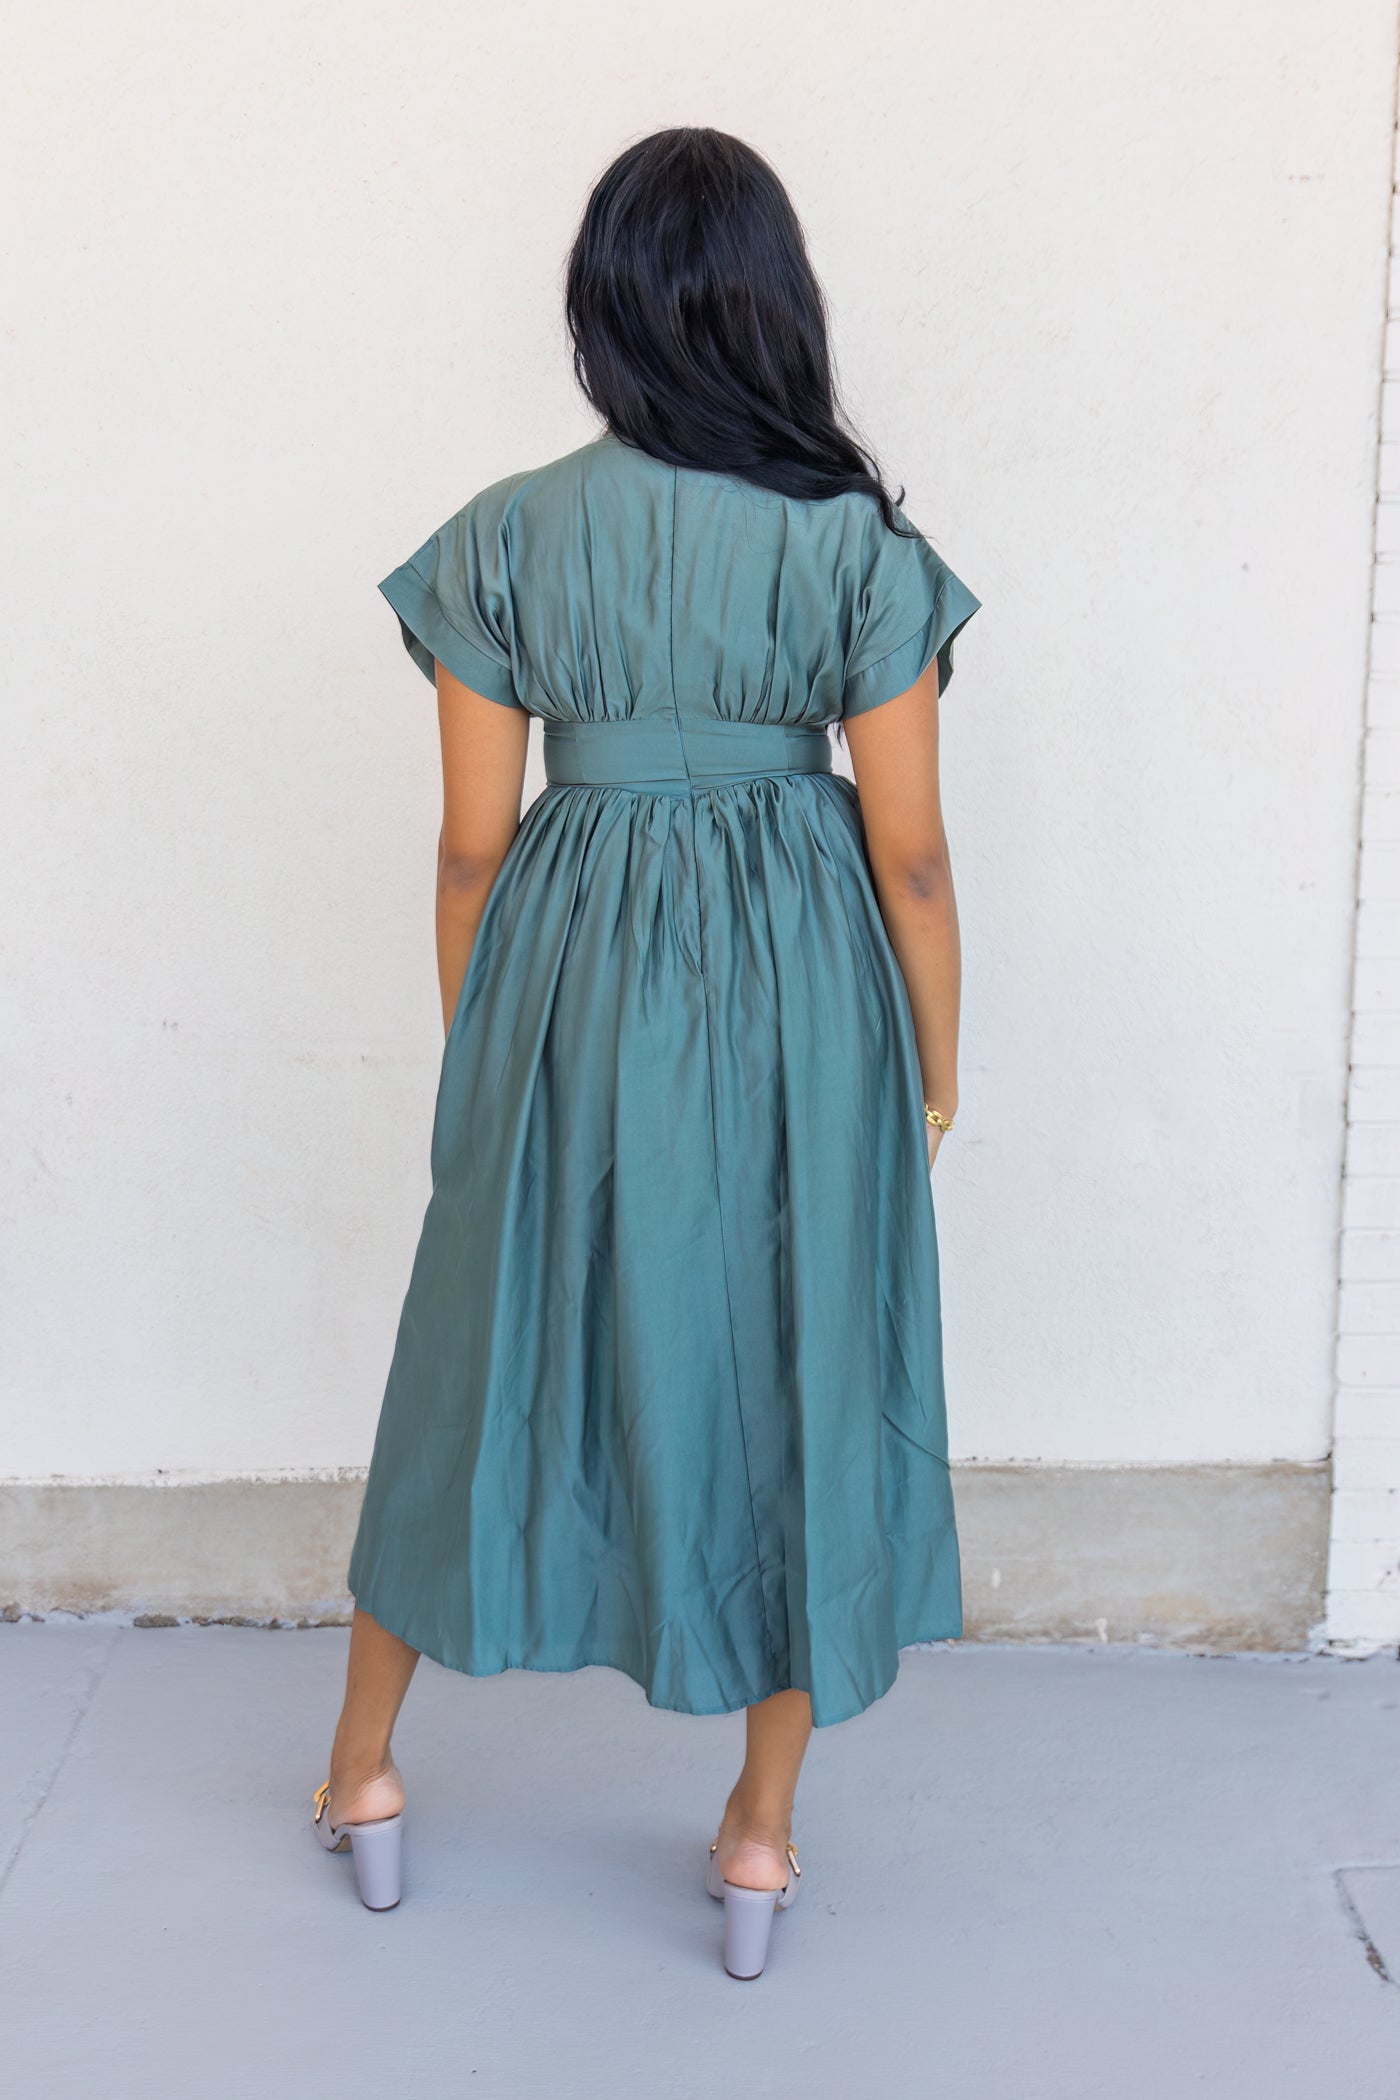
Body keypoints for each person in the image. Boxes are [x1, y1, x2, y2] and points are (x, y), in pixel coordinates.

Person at [312, 125, 980, 1981]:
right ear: (779, 305)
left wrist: (491, 1051)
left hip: (566, 977)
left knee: (476, 1357)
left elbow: (470, 846)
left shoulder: (507, 531)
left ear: (599, 310)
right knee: (802, 1353)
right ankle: (759, 1836)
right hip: (804, 985)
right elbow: (914, 855)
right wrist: (935, 1069)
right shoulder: (859, 545)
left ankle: (364, 1771)